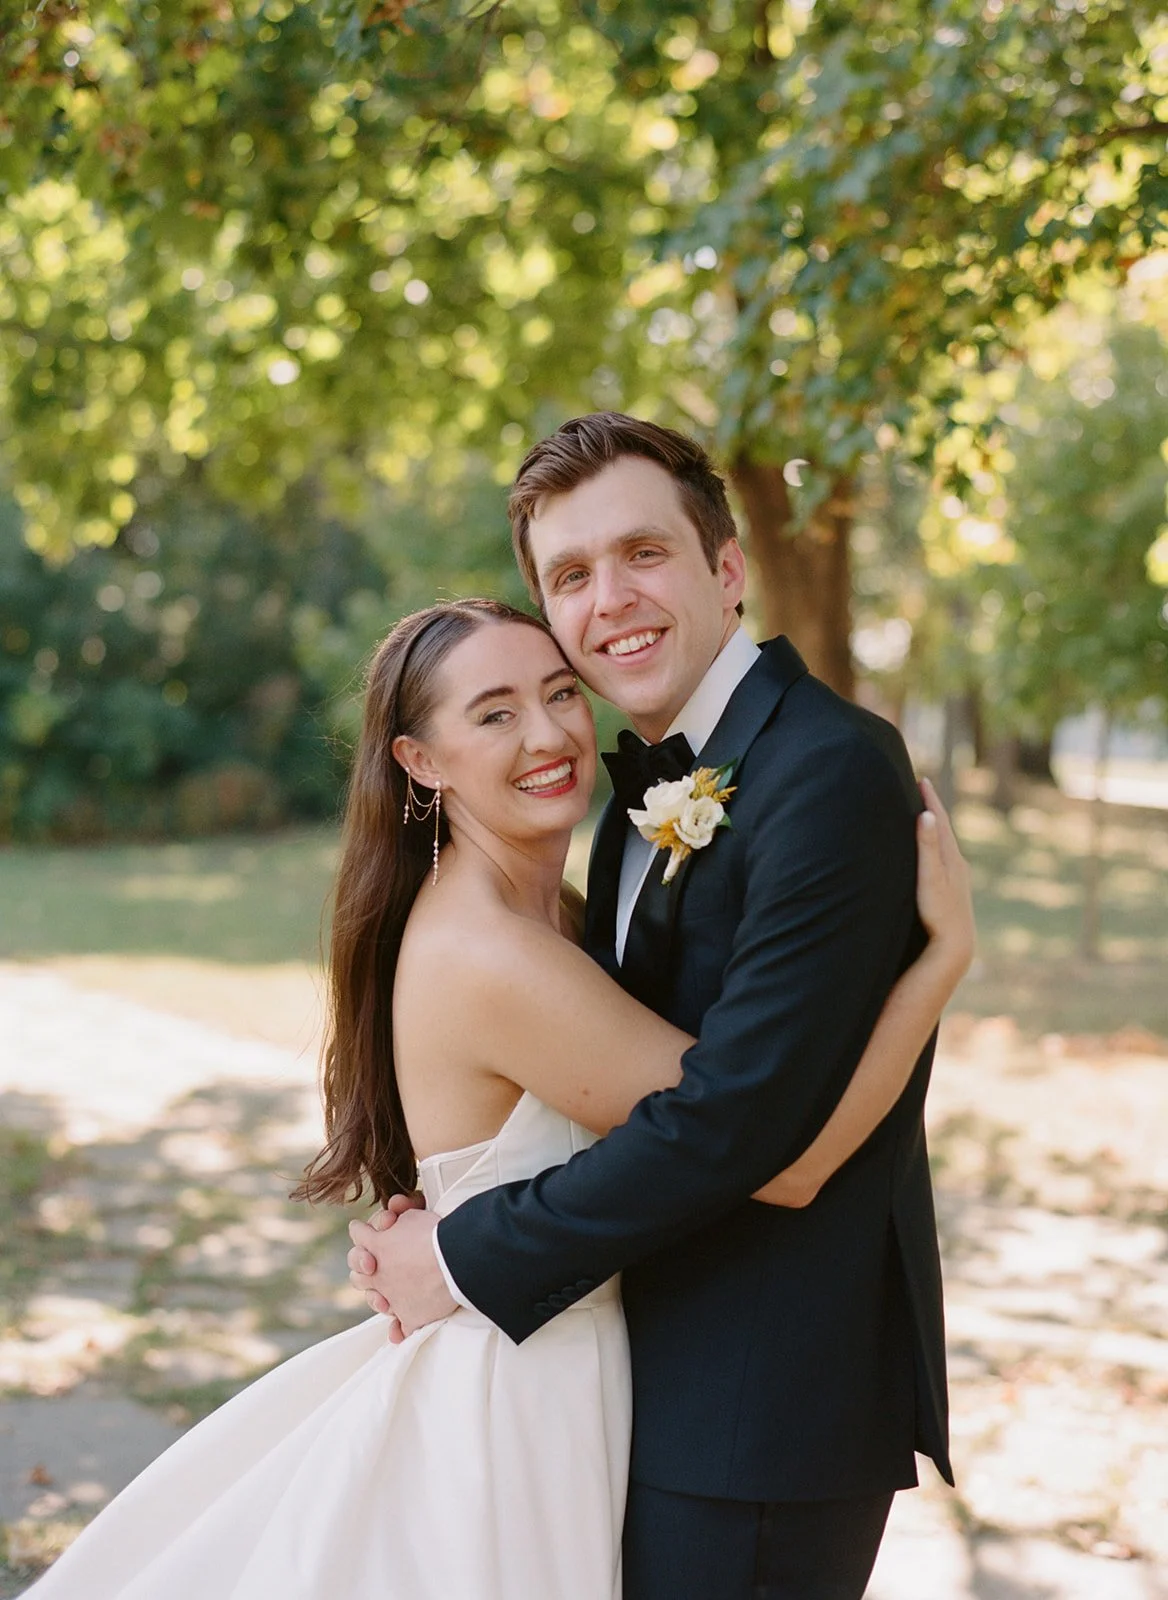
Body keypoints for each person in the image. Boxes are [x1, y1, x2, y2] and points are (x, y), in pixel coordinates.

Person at [24, 596, 972, 1600]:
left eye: (559, 692)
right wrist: (938, 963)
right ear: (420, 760)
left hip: (570, 1358)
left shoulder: (551, 909)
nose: (550, 732)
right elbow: (773, 1152)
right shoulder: (494, 953)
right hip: (522, 1393)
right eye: (494, 712)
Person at [350, 414, 963, 1600]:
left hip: (760, 1411)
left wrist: (466, 1252)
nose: (609, 598)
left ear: (726, 571)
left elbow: (740, 1128)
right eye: (570, 575)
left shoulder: (823, 769)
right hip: (641, 1391)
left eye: (642, 553)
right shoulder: (635, 797)